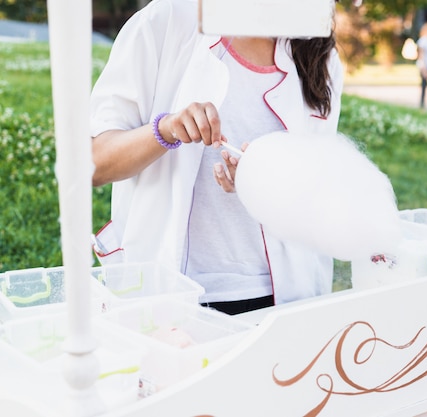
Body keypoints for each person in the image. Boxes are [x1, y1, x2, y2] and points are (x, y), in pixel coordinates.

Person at [89, 0, 344, 315]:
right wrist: (165, 129)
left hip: (289, 299)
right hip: (175, 297)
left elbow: (318, 191)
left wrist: (263, 183)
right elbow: (95, 162)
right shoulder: (167, 20)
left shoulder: (323, 58)